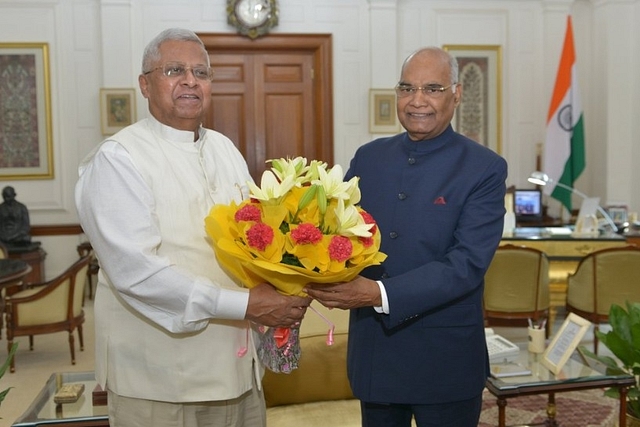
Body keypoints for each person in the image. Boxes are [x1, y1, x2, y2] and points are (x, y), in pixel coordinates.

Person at [75, 28, 310, 427]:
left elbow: (254, 243)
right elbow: (137, 273)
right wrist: (247, 305)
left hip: (238, 370)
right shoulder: (118, 158)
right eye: (174, 70)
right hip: (159, 380)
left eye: (201, 72)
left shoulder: (223, 147)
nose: (190, 80)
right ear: (145, 84)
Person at [305, 47, 508, 427]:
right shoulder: (369, 158)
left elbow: (466, 265)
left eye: (432, 88)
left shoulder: (484, 168)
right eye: (406, 88)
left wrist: (378, 294)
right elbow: (342, 233)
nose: (417, 101)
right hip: (376, 354)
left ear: (456, 94)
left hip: (445, 360)